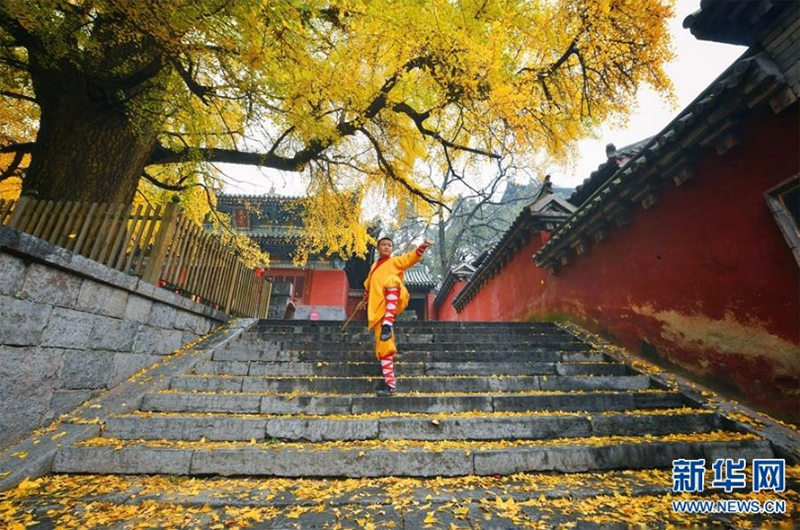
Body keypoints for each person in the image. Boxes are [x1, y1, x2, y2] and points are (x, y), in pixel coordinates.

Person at [362, 236, 433, 396]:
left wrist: (422, 247)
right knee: (384, 347)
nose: (387, 247)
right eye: (383, 245)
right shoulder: (373, 266)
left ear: (392, 249)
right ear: (378, 248)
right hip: (378, 310)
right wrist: (366, 296)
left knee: (393, 279)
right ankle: (389, 384)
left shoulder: (394, 262)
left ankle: (389, 322)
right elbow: (368, 284)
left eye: (389, 245)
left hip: (395, 299)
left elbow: (409, 258)